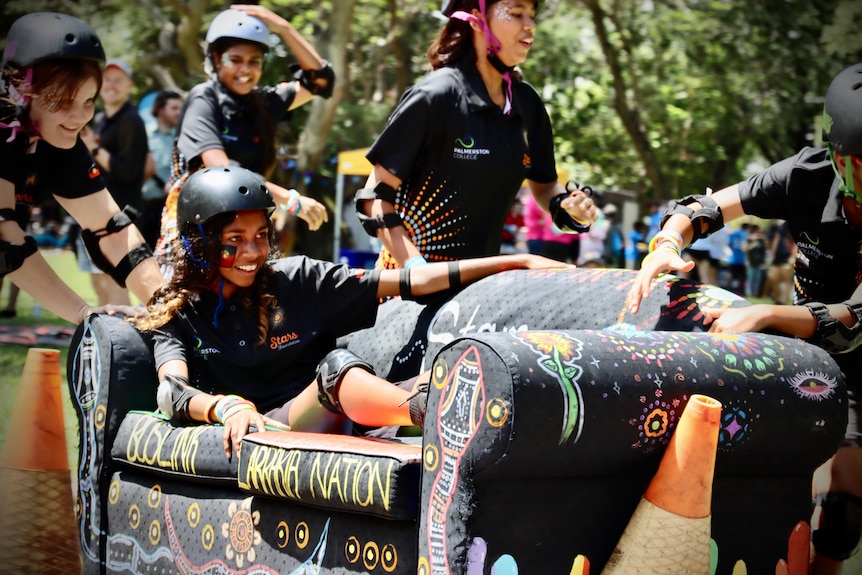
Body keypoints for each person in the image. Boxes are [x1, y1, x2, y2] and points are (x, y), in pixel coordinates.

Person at [133, 166, 565, 459]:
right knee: (337, 370)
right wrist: (226, 408)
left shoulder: (297, 279)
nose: (252, 252)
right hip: (271, 428)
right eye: (234, 239)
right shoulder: (178, 312)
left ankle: (475, 413)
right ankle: (439, 414)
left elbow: (414, 282)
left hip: (343, 417)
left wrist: (516, 262)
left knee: (454, 376)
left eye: (261, 236)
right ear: (197, 241)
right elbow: (171, 393)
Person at [626, 63, 862, 575]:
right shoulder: (805, 174)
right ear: (841, 157)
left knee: (845, 507)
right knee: (757, 473)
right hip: (807, 349)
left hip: (848, 342)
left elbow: (854, 320)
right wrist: (667, 243)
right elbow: (707, 206)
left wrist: (764, 314)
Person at [354, 0, 598, 271]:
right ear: (475, 20)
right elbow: (372, 197)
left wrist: (568, 205)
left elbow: (544, 185)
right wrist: (414, 267)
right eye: (516, 14)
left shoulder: (527, 105)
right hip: (405, 292)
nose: (530, 25)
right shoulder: (435, 96)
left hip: (478, 293)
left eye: (531, 15)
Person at [0, 12, 162, 325]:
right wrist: (84, 313)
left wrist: (167, 308)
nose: (79, 117)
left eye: (89, 100)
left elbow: (113, 231)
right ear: (20, 90)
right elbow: (4, 238)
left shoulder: (55, 137)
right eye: (62, 100)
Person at [156, 5, 330, 272]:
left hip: (248, 225)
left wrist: (282, 27)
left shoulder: (261, 102)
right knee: (186, 309)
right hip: (197, 227)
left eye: (254, 61)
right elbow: (224, 173)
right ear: (215, 58)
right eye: (234, 60)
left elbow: (320, 81)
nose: (245, 70)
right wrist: (291, 200)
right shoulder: (203, 99)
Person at [78, 57, 149, 306]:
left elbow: (128, 171)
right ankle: (109, 339)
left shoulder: (131, 120)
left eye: (118, 80)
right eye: (106, 79)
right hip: (94, 216)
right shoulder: (97, 120)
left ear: (129, 85)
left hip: (119, 218)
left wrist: (94, 148)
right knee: (99, 284)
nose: (110, 85)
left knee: (113, 285)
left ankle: (126, 343)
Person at [139, 89, 183, 250]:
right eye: (174, 108)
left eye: (181, 108)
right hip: (142, 207)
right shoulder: (143, 134)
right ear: (160, 109)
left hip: (168, 207)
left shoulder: (181, 137)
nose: (179, 112)